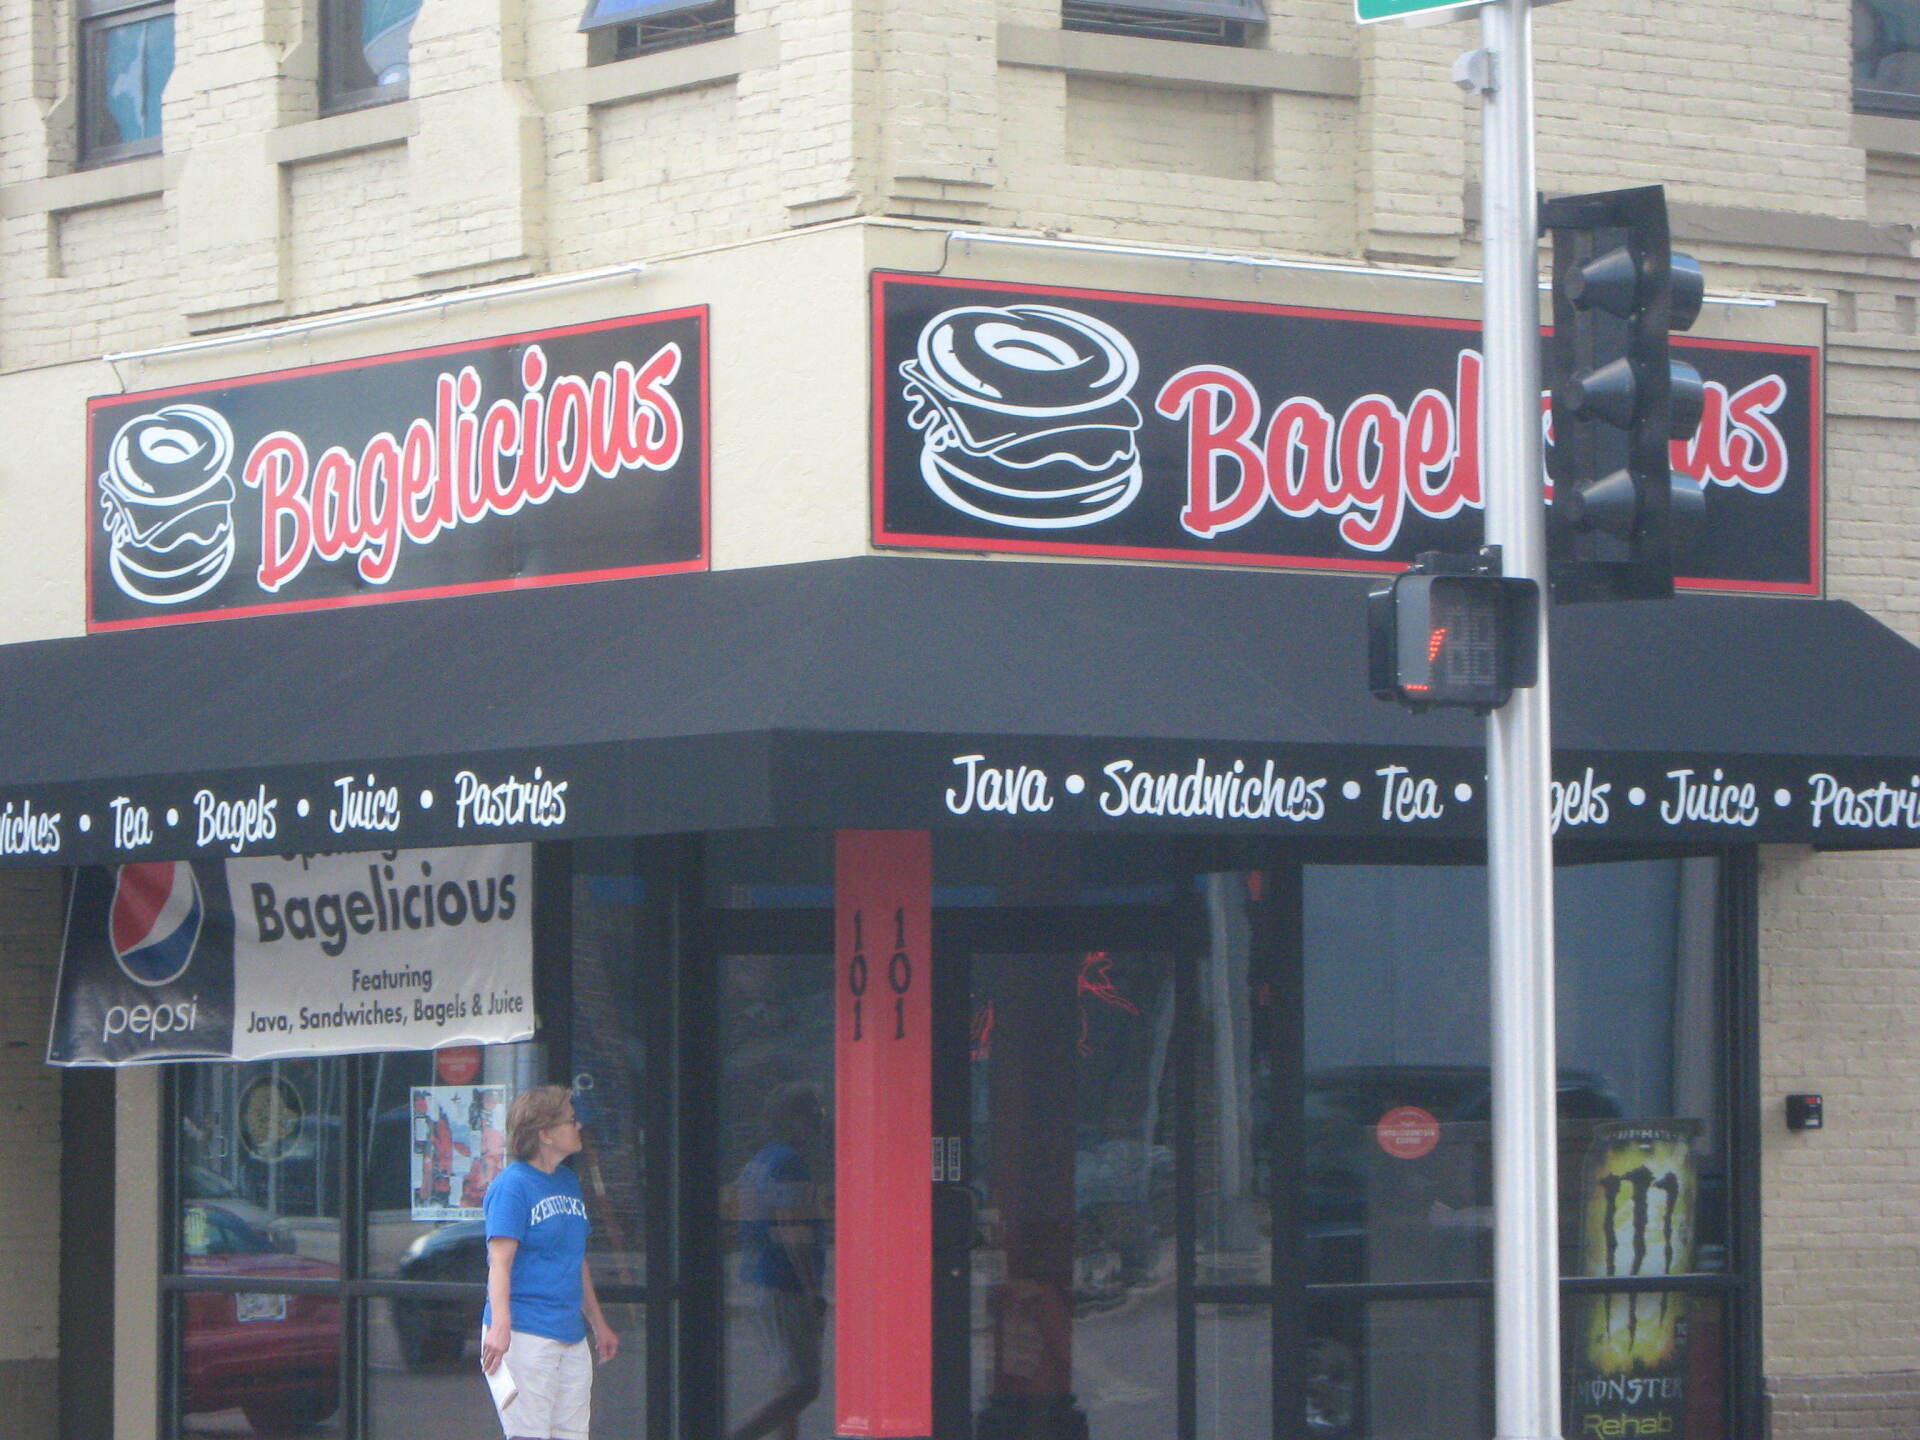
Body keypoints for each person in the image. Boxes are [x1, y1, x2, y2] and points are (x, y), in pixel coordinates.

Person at [481, 1085, 619, 1440]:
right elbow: (500, 1262)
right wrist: (500, 1326)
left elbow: (576, 1260)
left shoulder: (568, 1181)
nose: (579, 1127)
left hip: (569, 1331)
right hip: (525, 1333)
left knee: (572, 1433)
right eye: (570, 1121)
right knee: (530, 1435)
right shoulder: (512, 1186)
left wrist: (598, 1323)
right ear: (544, 1134)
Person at [728, 1082, 827, 1440]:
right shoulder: (790, 1163)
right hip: (784, 1282)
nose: (819, 1124)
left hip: (759, 1277)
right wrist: (812, 1288)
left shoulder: (762, 1160)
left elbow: (743, 1215)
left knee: (787, 1379)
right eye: (814, 1115)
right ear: (795, 1119)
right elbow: (792, 1227)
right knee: (803, 1387)